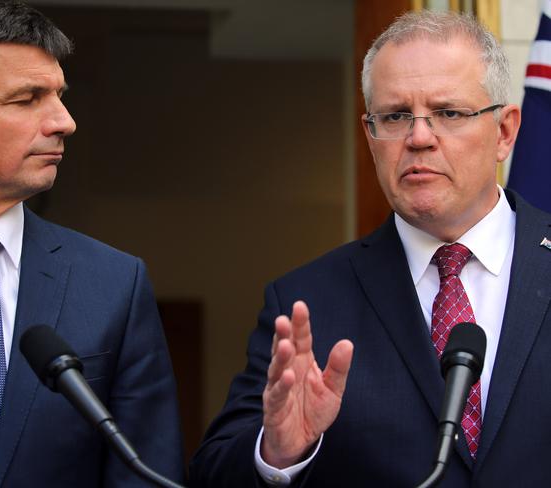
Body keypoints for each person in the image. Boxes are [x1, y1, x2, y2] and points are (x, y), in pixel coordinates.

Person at [189, 9, 551, 487]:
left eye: (447, 112)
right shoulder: (307, 302)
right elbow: (212, 474)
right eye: (396, 116)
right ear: (370, 135)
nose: (419, 138)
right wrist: (279, 452)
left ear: (504, 132)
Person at [0, 1, 184, 487]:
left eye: (59, 95)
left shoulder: (114, 283)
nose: (65, 121)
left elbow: (145, 472)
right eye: (27, 98)